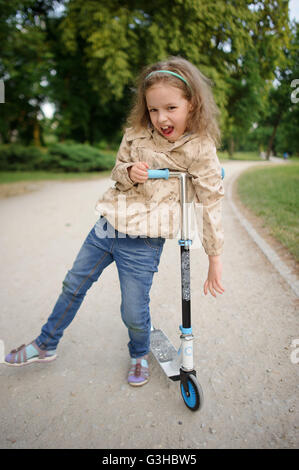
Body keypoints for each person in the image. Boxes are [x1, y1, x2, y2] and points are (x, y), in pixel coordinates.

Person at [4, 57, 225, 387]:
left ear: (192, 104)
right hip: (109, 224)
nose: (161, 118)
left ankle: (138, 353)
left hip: (145, 238)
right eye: (153, 110)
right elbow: (118, 171)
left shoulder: (200, 148)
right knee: (73, 283)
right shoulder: (136, 134)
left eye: (171, 107)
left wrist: (214, 258)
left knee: (133, 310)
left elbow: (210, 202)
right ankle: (45, 343)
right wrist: (129, 173)